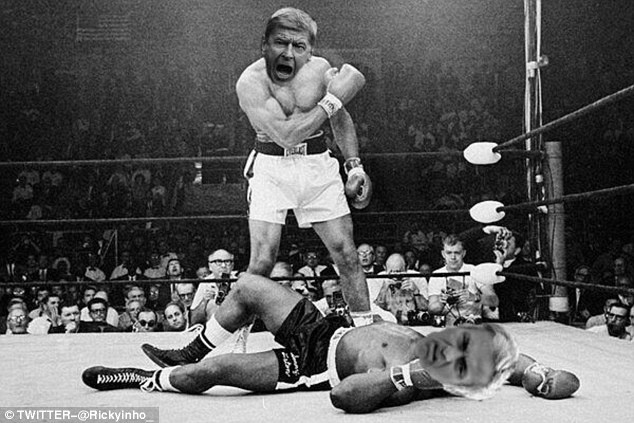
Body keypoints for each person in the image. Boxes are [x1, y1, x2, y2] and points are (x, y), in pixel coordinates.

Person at [140, 7, 374, 363]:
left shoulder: (320, 69)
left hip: (318, 165)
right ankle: (217, 347)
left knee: (347, 254)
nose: (290, 51)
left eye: (299, 44)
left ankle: (365, 342)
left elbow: (340, 119)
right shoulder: (250, 82)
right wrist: (334, 97)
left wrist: (354, 166)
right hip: (271, 168)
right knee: (261, 263)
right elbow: (286, 134)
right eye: (282, 42)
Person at [83, 273, 580, 414]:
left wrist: (408, 376)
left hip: (312, 366)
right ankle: (190, 346)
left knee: (210, 375)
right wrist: (542, 376)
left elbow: (342, 397)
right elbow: (527, 366)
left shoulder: (411, 383)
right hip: (322, 327)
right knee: (250, 286)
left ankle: (147, 379)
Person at [428, 235, 498, 326]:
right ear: (443, 254)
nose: (453, 257)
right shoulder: (436, 275)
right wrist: (441, 301)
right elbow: (431, 309)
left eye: (457, 253)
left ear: (463, 253)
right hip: (447, 326)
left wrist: (475, 297)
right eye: (449, 253)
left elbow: (494, 300)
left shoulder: (476, 271)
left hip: (473, 325)